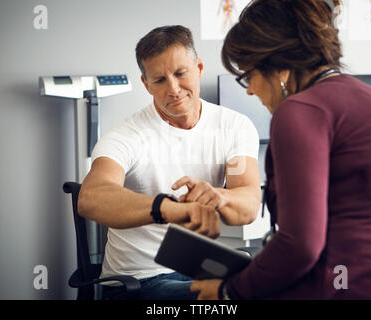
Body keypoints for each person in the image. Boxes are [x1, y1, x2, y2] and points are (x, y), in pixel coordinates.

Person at [191, 0, 371, 299]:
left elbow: (300, 245)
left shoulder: (300, 111)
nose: (248, 89)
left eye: (248, 74)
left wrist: (230, 290)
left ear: (278, 66)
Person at [77, 25, 261, 300]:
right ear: (146, 84)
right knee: (228, 297)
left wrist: (218, 197)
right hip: (139, 283)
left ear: (198, 67)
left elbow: (247, 206)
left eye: (180, 73)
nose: (173, 89)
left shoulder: (234, 126)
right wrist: (168, 209)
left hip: (200, 267)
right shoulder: (126, 136)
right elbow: (91, 198)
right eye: (160, 80)